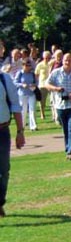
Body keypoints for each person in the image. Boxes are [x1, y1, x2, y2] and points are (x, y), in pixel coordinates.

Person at [45, 53, 71, 160]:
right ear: (62, 61)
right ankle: (67, 148)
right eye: (66, 60)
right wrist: (56, 89)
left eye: (70, 60)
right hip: (60, 105)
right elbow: (47, 84)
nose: (67, 62)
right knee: (65, 128)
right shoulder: (56, 72)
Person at [0, 69, 26, 218]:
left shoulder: (4, 78)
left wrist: (20, 131)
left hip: (2, 130)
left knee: (3, 170)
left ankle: (0, 201)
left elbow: (15, 105)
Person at [13, 59, 38, 131]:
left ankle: (33, 126)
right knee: (23, 110)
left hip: (31, 93)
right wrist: (22, 85)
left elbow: (36, 82)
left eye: (29, 65)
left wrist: (33, 85)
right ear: (23, 65)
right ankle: (22, 125)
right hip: (22, 94)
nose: (28, 67)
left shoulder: (32, 73)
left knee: (32, 109)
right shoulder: (20, 73)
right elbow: (15, 83)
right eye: (26, 65)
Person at [35, 51, 52, 119]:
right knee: (42, 101)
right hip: (42, 85)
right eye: (46, 58)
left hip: (51, 84)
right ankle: (42, 113)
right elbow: (36, 74)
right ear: (43, 57)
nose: (47, 59)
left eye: (49, 58)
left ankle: (54, 115)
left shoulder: (51, 64)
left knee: (52, 100)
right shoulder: (40, 65)